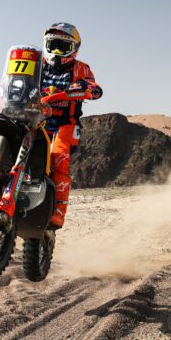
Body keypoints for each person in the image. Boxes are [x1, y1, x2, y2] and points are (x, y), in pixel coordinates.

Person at [37, 22, 103, 228]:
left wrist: (85, 87)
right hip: (35, 121)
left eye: (62, 47)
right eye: (53, 45)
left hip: (65, 124)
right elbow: (15, 80)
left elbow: (95, 89)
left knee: (59, 157)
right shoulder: (36, 64)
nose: (57, 51)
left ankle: (58, 213)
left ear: (74, 48)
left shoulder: (81, 68)